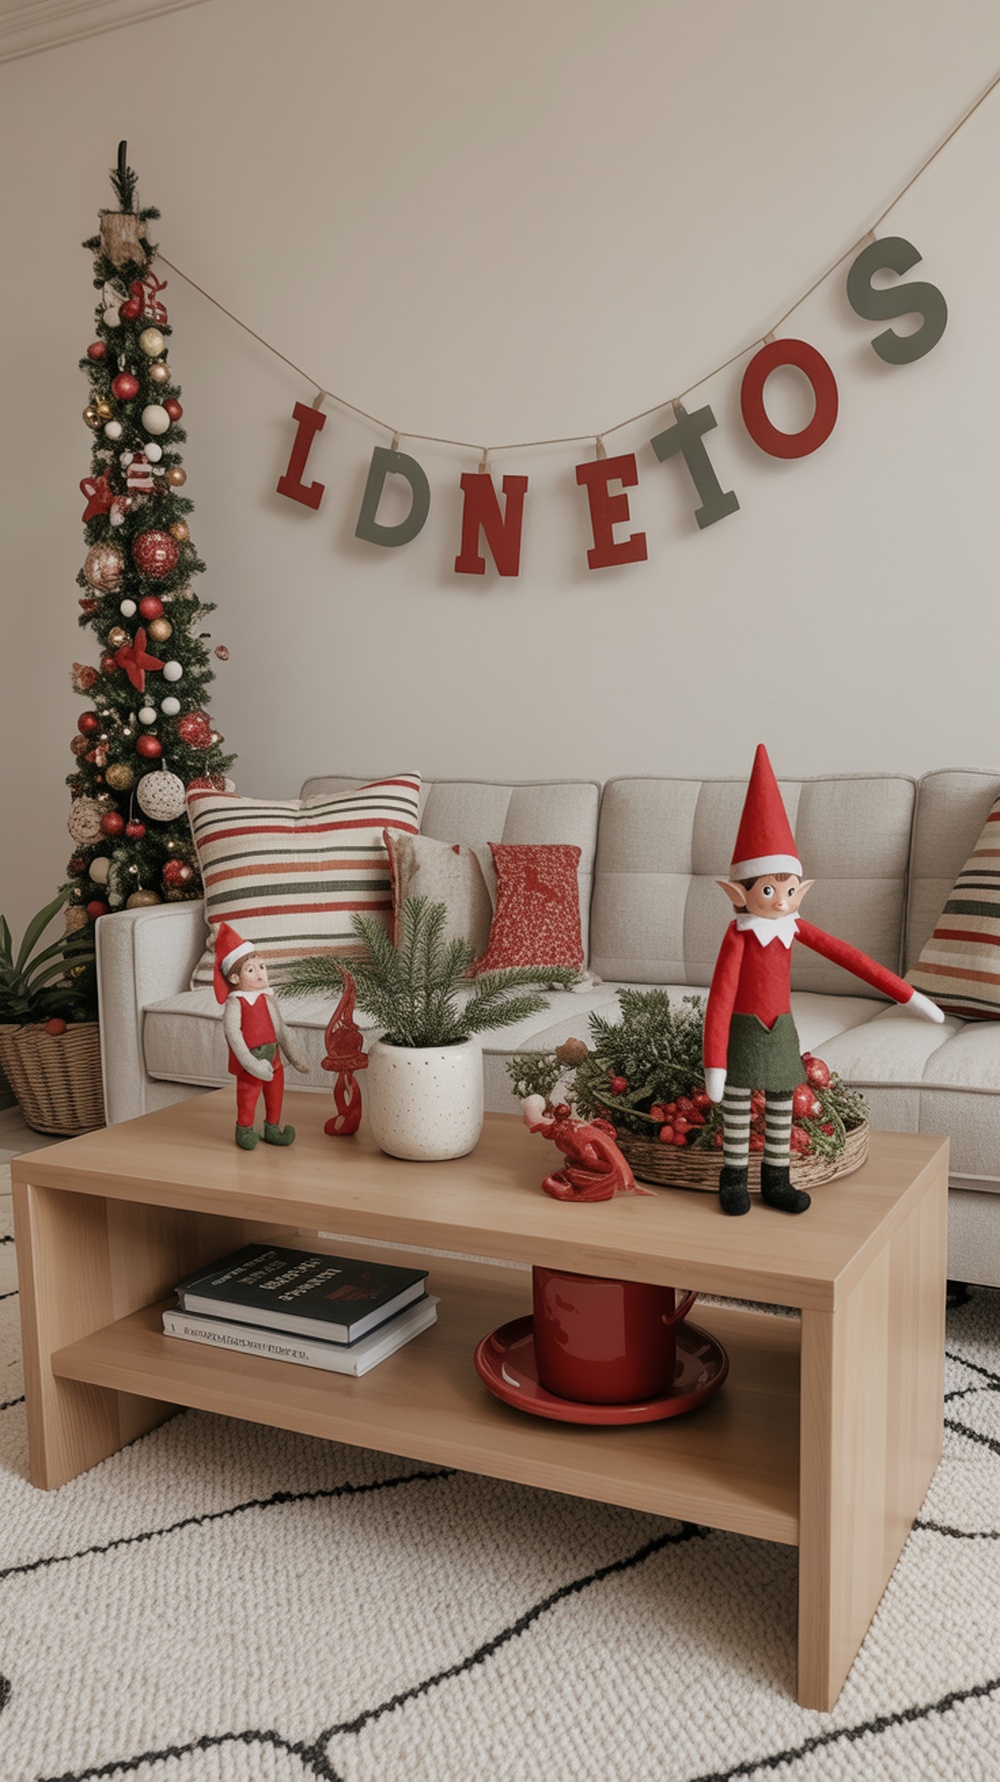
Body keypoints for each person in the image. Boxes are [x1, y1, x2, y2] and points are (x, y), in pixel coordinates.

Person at [705, 745, 943, 1216]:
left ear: (801, 891)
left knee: (780, 1104)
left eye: (789, 890)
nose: (780, 901)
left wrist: (911, 996)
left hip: (782, 1029)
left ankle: (776, 1177)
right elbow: (720, 997)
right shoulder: (738, 937)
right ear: (739, 893)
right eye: (769, 890)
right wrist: (714, 1062)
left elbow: (855, 961)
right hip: (744, 1028)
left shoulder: (794, 928)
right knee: (735, 1102)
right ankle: (732, 1176)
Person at [214, 923, 310, 1149]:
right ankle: (244, 1128)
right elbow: (233, 1035)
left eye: (262, 966)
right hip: (252, 1061)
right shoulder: (236, 1002)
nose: (260, 973)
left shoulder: (267, 997)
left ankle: (273, 1127)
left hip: (274, 1057)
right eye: (251, 969)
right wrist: (250, 1062)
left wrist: (295, 1056)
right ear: (235, 978)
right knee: (249, 1094)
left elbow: (280, 1028)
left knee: (275, 1093)